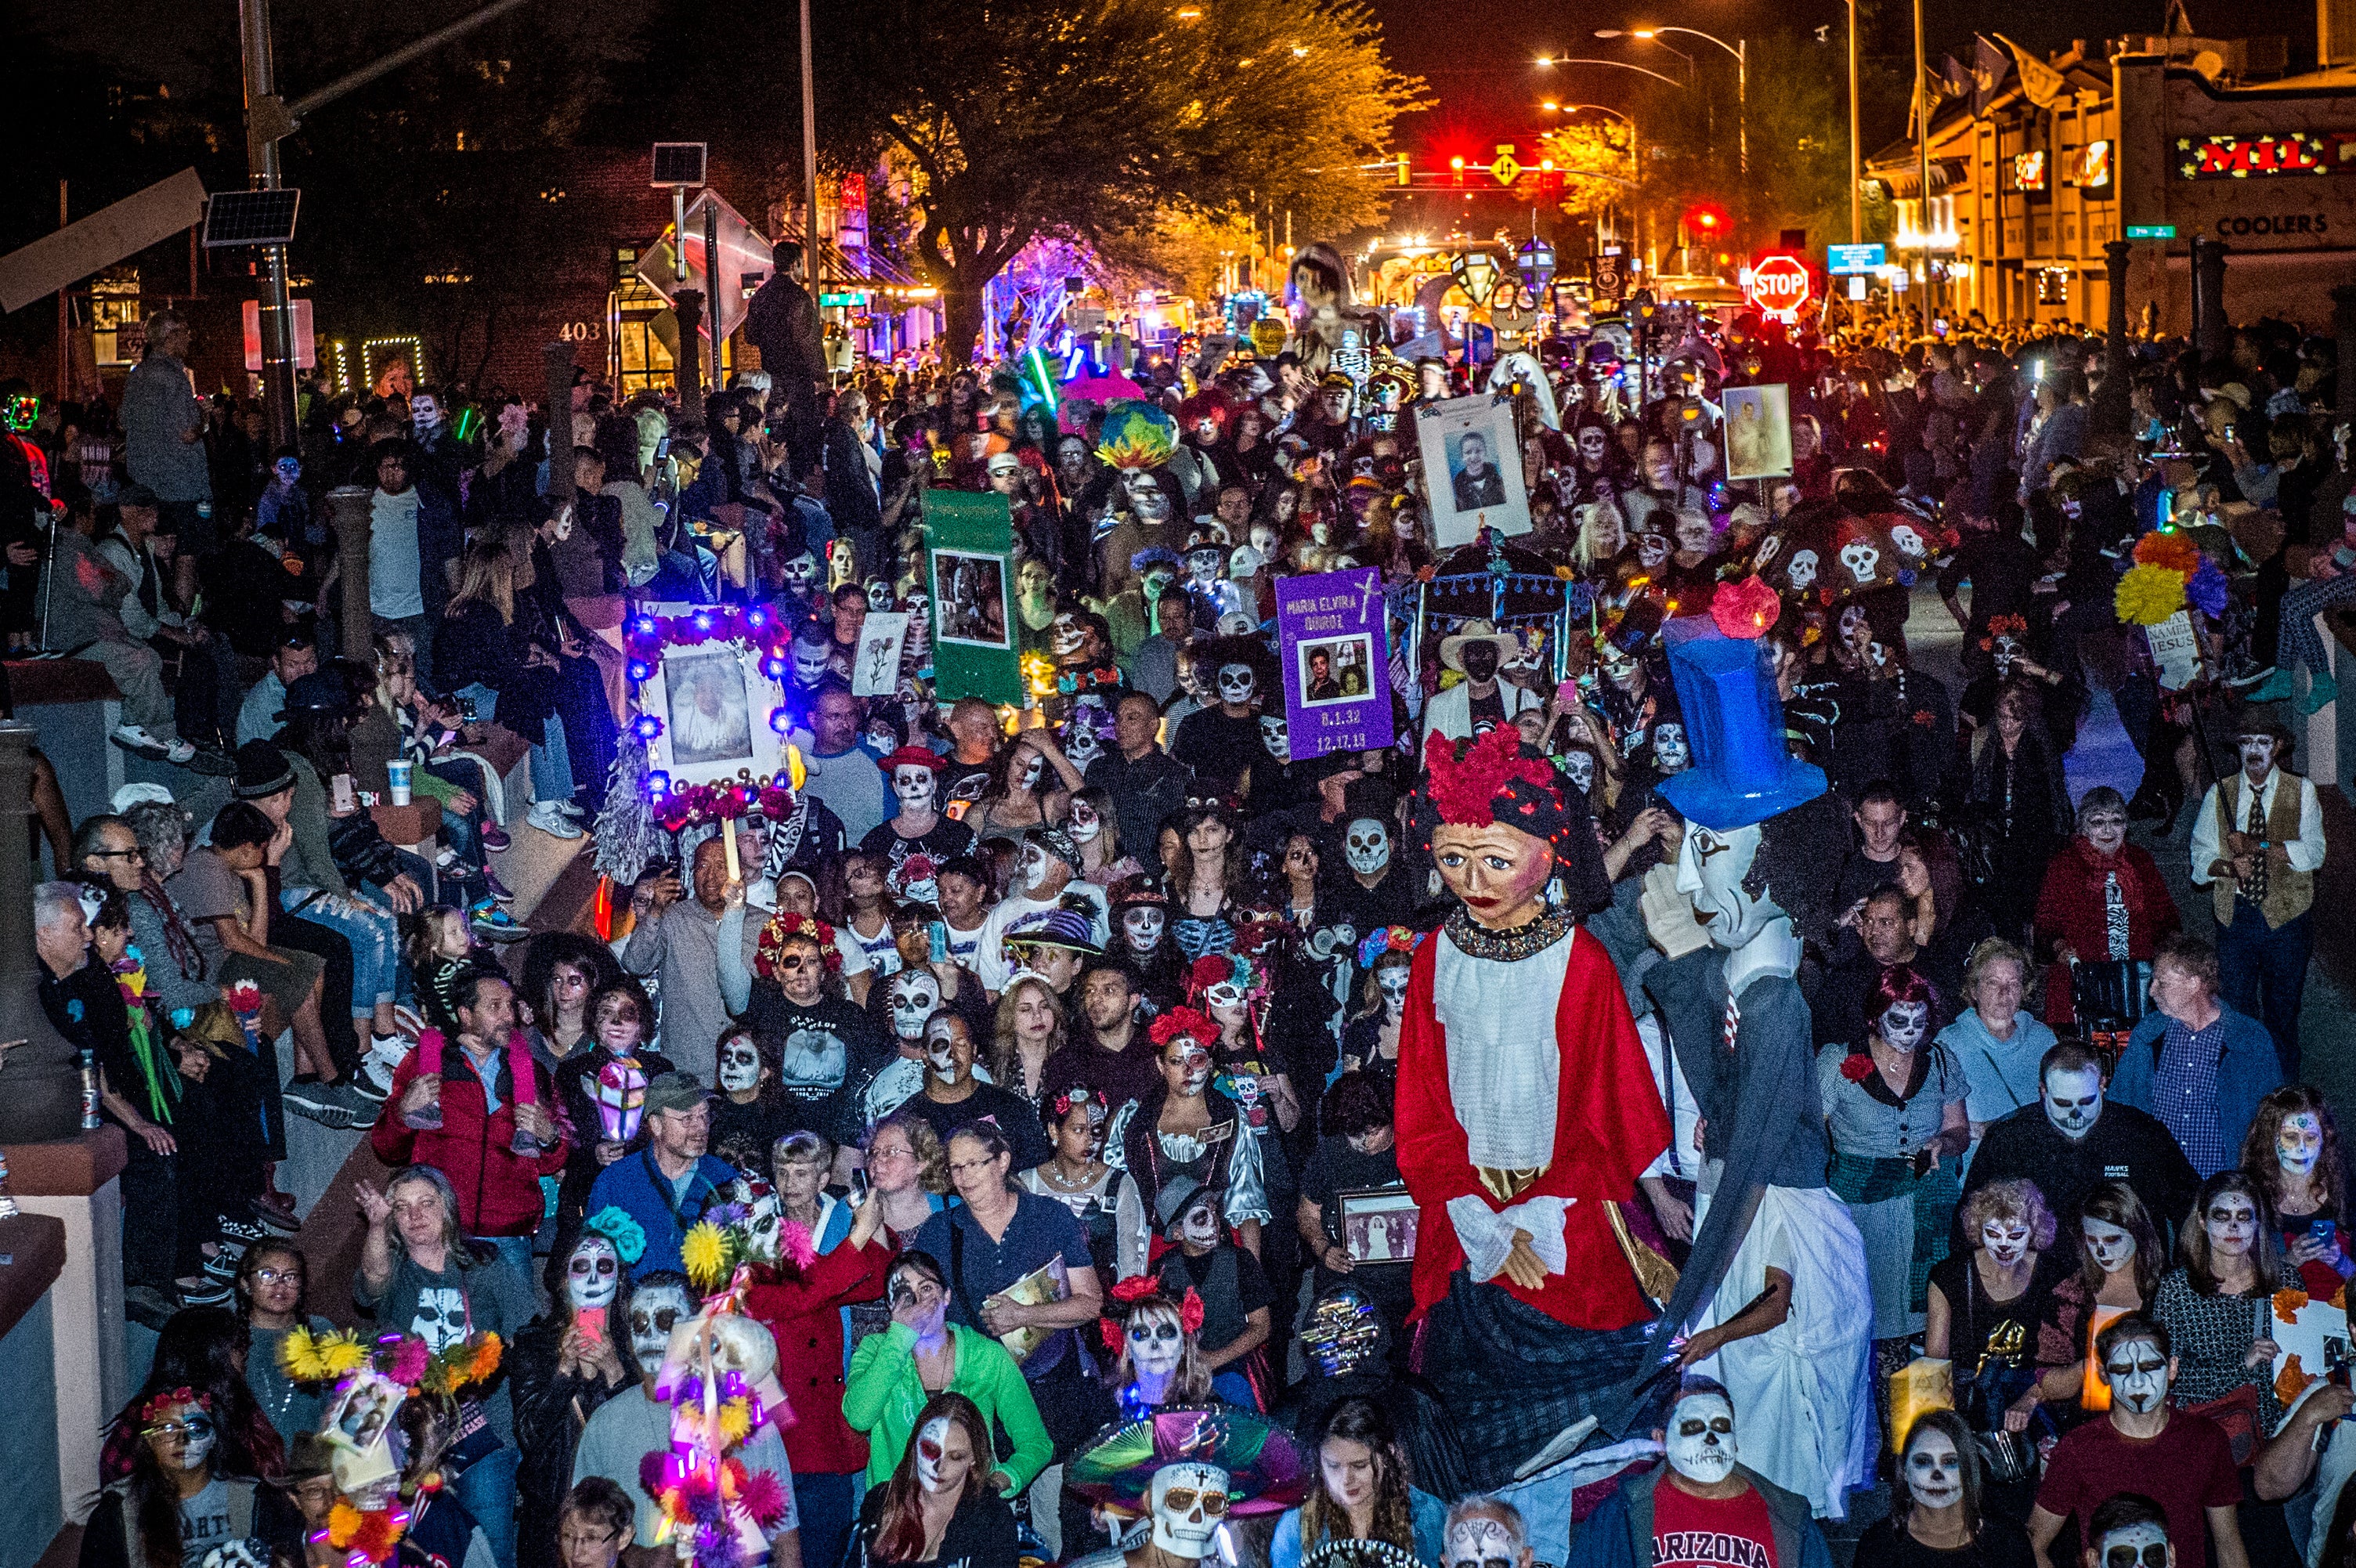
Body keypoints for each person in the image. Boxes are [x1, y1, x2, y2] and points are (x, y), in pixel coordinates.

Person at [352, 1163, 526, 1566]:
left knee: (489, 1551)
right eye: (401, 1207)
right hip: (412, 1440)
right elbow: (373, 1282)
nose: (414, 1215)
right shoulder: (394, 1267)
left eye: (426, 1203)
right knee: (423, 1553)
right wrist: (377, 1226)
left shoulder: (485, 1262)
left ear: (447, 1208)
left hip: (485, 1433)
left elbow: (526, 1329)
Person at [909, 1123, 1108, 1457]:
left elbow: (1091, 1303)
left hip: (1052, 1388)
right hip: (979, 1395)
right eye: (956, 1167)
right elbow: (923, 1315)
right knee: (987, 1494)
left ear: (1002, 1161)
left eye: (974, 1164)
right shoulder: (939, 1231)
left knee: (1054, 1496)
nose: (963, 1177)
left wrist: (1024, 1316)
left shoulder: (1049, 1216)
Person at [570, 1271, 802, 1554]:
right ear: (628, 1339)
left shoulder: (744, 1419)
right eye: (639, 1323)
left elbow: (786, 1544)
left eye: (666, 1321)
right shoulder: (606, 1423)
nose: (651, 1336)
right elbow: (583, 1538)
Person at [370, 968, 569, 1291]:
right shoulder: (426, 1063)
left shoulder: (530, 1071)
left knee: (510, 1339)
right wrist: (403, 1112)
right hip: (439, 1236)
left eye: (511, 1005)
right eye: (495, 1007)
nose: (509, 1015)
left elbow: (552, 1161)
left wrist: (550, 1136)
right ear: (465, 1014)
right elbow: (386, 1148)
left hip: (508, 1236)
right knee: (435, 1337)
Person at [1820, 966, 1971, 1354]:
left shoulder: (1939, 1059)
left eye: (1919, 1021)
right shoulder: (1839, 1061)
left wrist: (1942, 1142)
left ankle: (1926, 1411)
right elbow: (1806, 1134)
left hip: (1929, 1204)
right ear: (1876, 1016)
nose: (1909, 1031)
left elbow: (1959, 1132)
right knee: (1869, 1327)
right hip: (1862, 1213)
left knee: (1929, 1332)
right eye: (1898, 1020)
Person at [743, 1186, 894, 1568]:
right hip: (778, 1452)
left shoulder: (806, 1273)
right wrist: (859, 1233)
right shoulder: (745, 1287)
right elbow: (807, 1293)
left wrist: (873, 1224)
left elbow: (873, 1282)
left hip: (826, 1448)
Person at [2028, 1316, 2250, 1568]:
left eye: (2150, 1366)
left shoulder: (2206, 1440)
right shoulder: (2077, 1449)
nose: (2137, 1382)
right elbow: (2034, 1544)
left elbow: (2229, 1544)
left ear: (2173, 1368)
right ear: (2104, 1375)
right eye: (2122, 1370)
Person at [843, 1250, 1053, 1494]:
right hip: (897, 1515)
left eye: (926, 1289)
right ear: (891, 1306)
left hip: (967, 1515)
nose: (917, 1302)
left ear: (946, 1297)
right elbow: (859, 1418)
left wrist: (997, 1483)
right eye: (904, 1294)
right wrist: (900, 1337)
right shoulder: (876, 1350)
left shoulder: (986, 1356)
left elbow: (1036, 1443)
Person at [1566, 1379, 1835, 1568]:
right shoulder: (1617, 1518)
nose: (1711, 1439)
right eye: (1693, 1427)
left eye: (1721, 1426)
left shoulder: (1789, 1519)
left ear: (1735, 1440)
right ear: (1661, 1441)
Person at [1962, 1042, 2199, 1255]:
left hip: (2129, 1279)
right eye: (2063, 1103)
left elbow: (2192, 1209)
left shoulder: (2143, 1135)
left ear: (2103, 1085)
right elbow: (1970, 1221)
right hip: (2042, 1282)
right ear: (2043, 1092)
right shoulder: (2009, 1139)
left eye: (2086, 1101)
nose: (2076, 1115)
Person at [1924, 1180, 2066, 1525]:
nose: (2004, 1246)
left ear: (2034, 1231)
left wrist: (2033, 1398)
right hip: (1966, 1402)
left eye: (2015, 1235)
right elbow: (1934, 1363)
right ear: (1977, 1230)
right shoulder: (1950, 1275)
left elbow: (2066, 1357)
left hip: (2035, 1397)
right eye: (1993, 1233)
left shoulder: (2052, 1274)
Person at [2189, 721, 2324, 1075]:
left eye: (2262, 742)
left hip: (2288, 920)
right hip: (2236, 919)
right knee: (2236, 1015)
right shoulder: (2220, 794)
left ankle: (2284, 1096)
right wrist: (2230, 868)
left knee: (2282, 1015)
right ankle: (2245, 1090)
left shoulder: (2302, 790)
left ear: (2277, 746)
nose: (2253, 750)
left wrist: (2259, 845)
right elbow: (2200, 860)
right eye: (2246, 741)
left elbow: (2314, 854)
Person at [514, 1225, 638, 1568]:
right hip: (553, 1518)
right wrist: (564, 1373)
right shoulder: (534, 1346)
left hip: (613, 1521)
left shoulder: (635, 1349)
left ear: (620, 1279)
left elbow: (643, 1438)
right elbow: (529, 1434)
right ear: (564, 1279)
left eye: (605, 1267)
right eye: (582, 1266)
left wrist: (615, 1373)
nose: (594, 1278)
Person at [2110, 938, 2283, 1178]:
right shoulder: (2148, 1033)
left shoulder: (2250, 1039)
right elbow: (2119, 1107)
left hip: (2221, 1189)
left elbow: (2272, 1122)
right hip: (2159, 1185)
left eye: (2162, 982)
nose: (2151, 991)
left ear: (2193, 984)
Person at [2032, 786, 2180, 1034]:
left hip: (2136, 983)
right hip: (2081, 982)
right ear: (2083, 827)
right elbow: (2045, 927)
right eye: (2098, 822)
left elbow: (2166, 919)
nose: (2108, 830)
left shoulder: (2140, 861)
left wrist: (2167, 952)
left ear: (2126, 826)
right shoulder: (2064, 865)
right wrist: (2062, 950)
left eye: (2116, 821)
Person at [2152, 1171, 2287, 1436]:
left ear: (2257, 1223)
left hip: (2279, 1432)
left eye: (2244, 1217)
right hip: (2208, 1434)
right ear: (2203, 1222)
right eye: (2222, 1216)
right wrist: (2241, 1365)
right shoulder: (2176, 1290)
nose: (2234, 1228)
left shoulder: (2286, 1281)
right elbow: (2169, 1377)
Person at [622, 836, 757, 1082]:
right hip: (687, 1069)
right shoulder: (672, 917)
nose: (712, 876)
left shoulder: (763, 924)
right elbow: (635, 963)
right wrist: (654, 911)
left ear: (741, 872)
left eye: (721, 866)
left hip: (748, 1070)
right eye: (703, 866)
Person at [80, 1387, 261, 1568]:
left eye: (196, 1427)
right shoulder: (119, 1510)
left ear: (213, 1437)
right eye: (168, 1429)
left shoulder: (253, 1498)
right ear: (149, 1440)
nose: (183, 1440)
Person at [583, 1071, 737, 1277]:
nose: (701, 1127)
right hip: (635, 1305)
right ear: (656, 1124)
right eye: (687, 1118)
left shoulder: (725, 1179)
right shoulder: (616, 1183)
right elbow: (594, 1258)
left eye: (704, 1115)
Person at [849, 1391, 1024, 1568]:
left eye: (955, 1457)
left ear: (974, 1459)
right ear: (915, 1444)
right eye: (931, 1450)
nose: (939, 1467)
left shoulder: (992, 1519)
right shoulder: (881, 1501)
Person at [1270, 1398, 1449, 1568]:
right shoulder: (1296, 1526)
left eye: (1360, 1465)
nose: (1346, 1479)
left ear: (1388, 1454)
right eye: (1333, 1466)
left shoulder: (1428, 1514)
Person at [1852, 1411, 2034, 1567]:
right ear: (1905, 1470)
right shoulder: (1878, 1547)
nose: (1937, 1475)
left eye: (1950, 1462)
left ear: (1968, 1469)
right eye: (1923, 1461)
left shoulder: (2008, 1543)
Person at [1152, 1177, 1274, 1408]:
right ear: (1178, 1232)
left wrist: (1214, 1360)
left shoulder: (1240, 1260)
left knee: (1234, 1395)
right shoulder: (1162, 1271)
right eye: (1201, 1217)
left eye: (1214, 1211)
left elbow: (1262, 1326)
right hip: (1183, 1375)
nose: (1214, 1221)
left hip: (1234, 1365)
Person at [1936, 940, 2057, 1153]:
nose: (2004, 992)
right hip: (1975, 1169)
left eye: (2013, 983)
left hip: (2034, 1166)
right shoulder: (1949, 1043)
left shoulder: (2043, 1039)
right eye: (1993, 983)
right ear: (1974, 990)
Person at [1021, 1087, 1148, 1284]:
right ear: (1054, 1130)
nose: (1090, 1141)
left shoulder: (1119, 1184)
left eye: (1096, 1130)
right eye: (1078, 1130)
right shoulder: (1028, 1183)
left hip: (1105, 1307)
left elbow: (1133, 1266)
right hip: (1041, 1307)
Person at [2241, 1085, 2356, 1300]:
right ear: (2269, 1139)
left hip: (2340, 1321)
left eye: (2311, 1137)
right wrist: (2289, 1261)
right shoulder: (2250, 1196)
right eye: (2291, 1137)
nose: (2301, 1148)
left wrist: (2340, 1261)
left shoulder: (2347, 1194)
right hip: (2272, 1323)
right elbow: (2234, 1281)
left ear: (2325, 1139)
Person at [235, 1241, 335, 1449]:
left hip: (312, 1462)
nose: (280, 1285)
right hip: (248, 1467)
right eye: (267, 1275)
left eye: (291, 1277)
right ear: (245, 1283)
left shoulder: (321, 1331)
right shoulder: (228, 1336)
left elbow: (340, 1401)